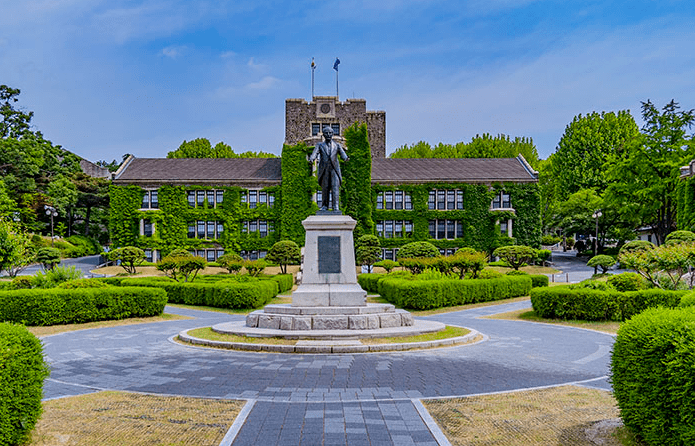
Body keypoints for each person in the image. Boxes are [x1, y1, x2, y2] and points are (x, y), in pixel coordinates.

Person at [308, 126, 349, 211]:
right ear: (323, 135)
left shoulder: (337, 145)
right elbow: (315, 153)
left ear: (333, 134)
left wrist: (345, 158)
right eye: (326, 133)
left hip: (334, 169)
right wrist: (312, 158)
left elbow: (342, 153)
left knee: (335, 187)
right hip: (324, 169)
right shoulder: (320, 145)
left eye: (330, 133)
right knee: (325, 188)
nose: (328, 135)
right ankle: (324, 206)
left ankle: (335, 206)